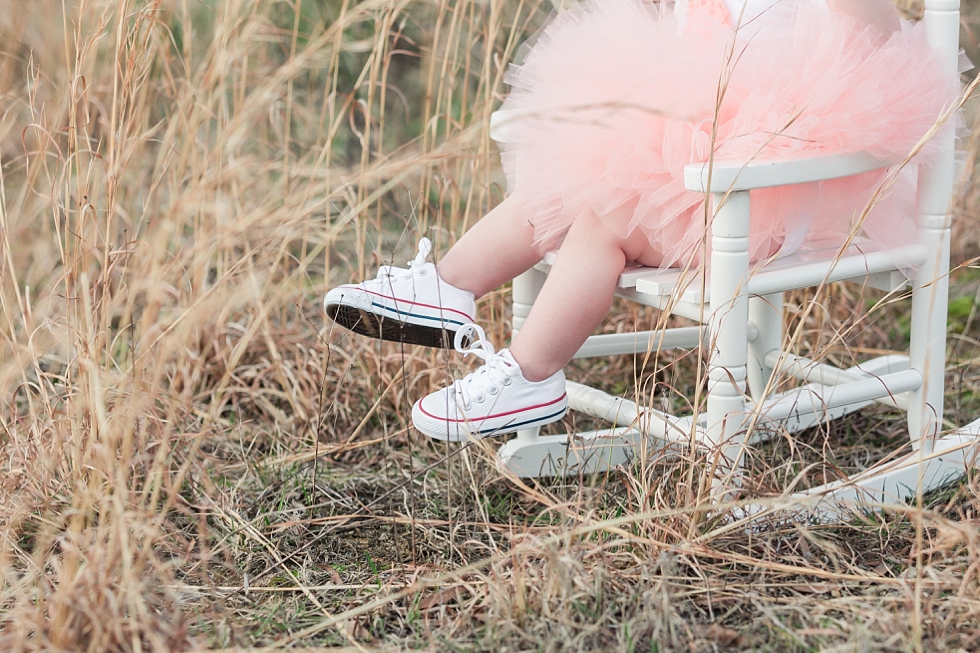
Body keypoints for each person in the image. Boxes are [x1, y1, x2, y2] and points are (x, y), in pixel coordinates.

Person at [324, 0, 963, 441]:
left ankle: (531, 375)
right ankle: (447, 288)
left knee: (602, 219)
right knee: (565, 186)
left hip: (773, 192)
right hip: (698, 163)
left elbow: (877, 58)